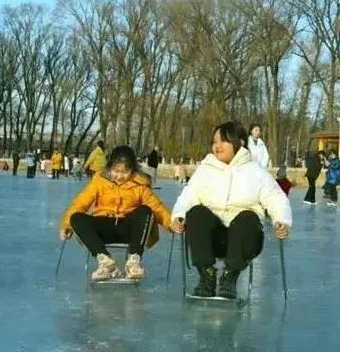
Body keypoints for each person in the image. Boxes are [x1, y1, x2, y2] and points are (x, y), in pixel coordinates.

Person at [171, 122, 291, 299]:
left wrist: (281, 220)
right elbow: (187, 197)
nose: (217, 146)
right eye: (214, 141)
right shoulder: (205, 169)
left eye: (223, 141)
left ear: (239, 142)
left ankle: (230, 277)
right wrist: (178, 216)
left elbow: (276, 198)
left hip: (244, 240)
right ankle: (207, 276)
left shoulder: (255, 172)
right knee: (196, 213)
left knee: (248, 217)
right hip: (212, 239)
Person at [59, 145, 172, 281]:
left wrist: (172, 223)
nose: (119, 176)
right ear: (109, 167)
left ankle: (133, 262)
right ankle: (106, 262)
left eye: (125, 172)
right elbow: (80, 203)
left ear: (133, 170)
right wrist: (66, 225)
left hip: (128, 229)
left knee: (145, 211)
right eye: (115, 171)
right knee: (76, 217)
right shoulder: (99, 181)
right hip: (104, 227)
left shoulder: (140, 184)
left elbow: (157, 207)